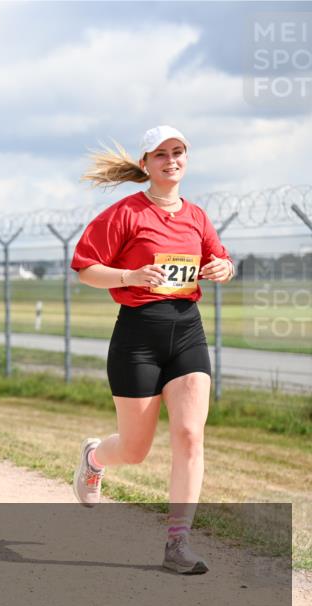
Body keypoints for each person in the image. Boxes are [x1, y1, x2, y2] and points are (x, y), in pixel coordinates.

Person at [71, 126, 235, 575]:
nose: (171, 160)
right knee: (134, 450)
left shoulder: (197, 216)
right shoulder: (125, 213)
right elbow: (85, 268)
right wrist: (129, 276)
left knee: (190, 434)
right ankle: (94, 458)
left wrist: (224, 268)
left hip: (187, 330)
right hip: (138, 337)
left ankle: (177, 544)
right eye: (160, 154)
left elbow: (219, 260)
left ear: (186, 159)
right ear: (145, 163)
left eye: (178, 152)